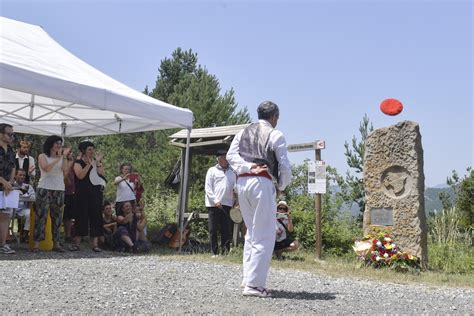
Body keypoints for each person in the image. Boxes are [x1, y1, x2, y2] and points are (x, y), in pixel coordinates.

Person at [227, 101, 292, 298]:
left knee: (252, 233)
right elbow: (284, 166)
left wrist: (247, 167)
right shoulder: (275, 134)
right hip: (262, 183)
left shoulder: (242, 132)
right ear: (274, 117)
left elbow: (231, 156)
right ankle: (254, 285)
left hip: (242, 183)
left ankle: (248, 279)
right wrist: (281, 185)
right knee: (264, 234)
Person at [33, 135, 74, 253]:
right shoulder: (42, 156)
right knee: (41, 216)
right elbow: (46, 168)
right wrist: (59, 157)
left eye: (60, 143)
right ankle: (37, 244)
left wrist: (64, 158)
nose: (59, 145)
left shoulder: (62, 158)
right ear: (51, 144)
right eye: (57, 143)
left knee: (57, 217)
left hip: (59, 189)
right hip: (44, 188)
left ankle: (56, 243)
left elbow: (65, 171)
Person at [71, 140, 105, 252]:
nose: (92, 151)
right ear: (84, 151)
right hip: (82, 195)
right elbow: (80, 176)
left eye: (93, 149)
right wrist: (89, 164)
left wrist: (98, 163)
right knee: (81, 217)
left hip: (95, 194)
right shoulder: (77, 163)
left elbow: (102, 174)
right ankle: (77, 243)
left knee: (95, 217)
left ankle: (95, 244)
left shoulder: (96, 162)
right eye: (89, 149)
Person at [205, 149, 236, 256]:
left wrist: (236, 201)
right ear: (218, 159)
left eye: (226, 157)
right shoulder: (211, 170)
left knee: (226, 230)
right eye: (223, 157)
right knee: (213, 229)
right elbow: (208, 188)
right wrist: (215, 201)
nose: (225, 159)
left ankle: (225, 252)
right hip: (213, 205)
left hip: (227, 204)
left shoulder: (232, 172)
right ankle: (214, 252)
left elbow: (235, 188)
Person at [0, 123, 16, 254]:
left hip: (7, 189)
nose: (11, 136)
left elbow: (13, 167)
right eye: (9, 134)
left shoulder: (10, 150)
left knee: (6, 216)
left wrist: (10, 183)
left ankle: (3, 244)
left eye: (12, 134)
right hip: (2, 185)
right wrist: (4, 182)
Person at [13, 169, 35, 242]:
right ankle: (6, 236)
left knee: (29, 213)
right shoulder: (11, 185)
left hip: (22, 208)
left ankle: (25, 234)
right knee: (5, 214)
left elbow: (33, 197)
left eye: (23, 175)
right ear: (15, 176)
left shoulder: (28, 187)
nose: (22, 177)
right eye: (20, 175)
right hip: (11, 208)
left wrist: (27, 196)